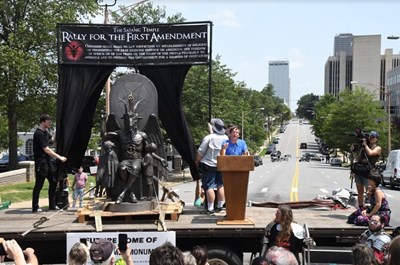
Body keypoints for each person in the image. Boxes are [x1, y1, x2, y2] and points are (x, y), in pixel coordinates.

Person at [32, 114, 67, 213]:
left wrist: (57, 131)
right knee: (39, 185)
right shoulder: (38, 134)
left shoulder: (46, 132)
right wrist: (60, 157)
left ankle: (52, 205)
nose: (50, 123)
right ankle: (35, 207)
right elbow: (46, 149)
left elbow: (51, 141)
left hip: (48, 163)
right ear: (42, 122)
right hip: (41, 164)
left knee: (53, 182)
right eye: (48, 121)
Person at [196, 118, 228, 215]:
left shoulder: (209, 138)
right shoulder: (226, 138)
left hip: (209, 164)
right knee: (220, 185)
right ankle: (220, 206)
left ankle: (210, 208)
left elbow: (201, 152)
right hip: (221, 164)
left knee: (209, 186)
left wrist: (197, 160)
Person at [350, 131, 381, 209]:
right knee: (360, 191)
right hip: (360, 171)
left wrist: (365, 145)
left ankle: (371, 208)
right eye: (370, 137)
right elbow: (357, 159)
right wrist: (353, 151)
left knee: (369, 192)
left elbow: (371, 153)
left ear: (377, 139)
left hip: (369, 173)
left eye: (373, 137)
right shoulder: (363, 148)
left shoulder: (377, 148)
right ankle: (361, 208)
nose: (371, 138)